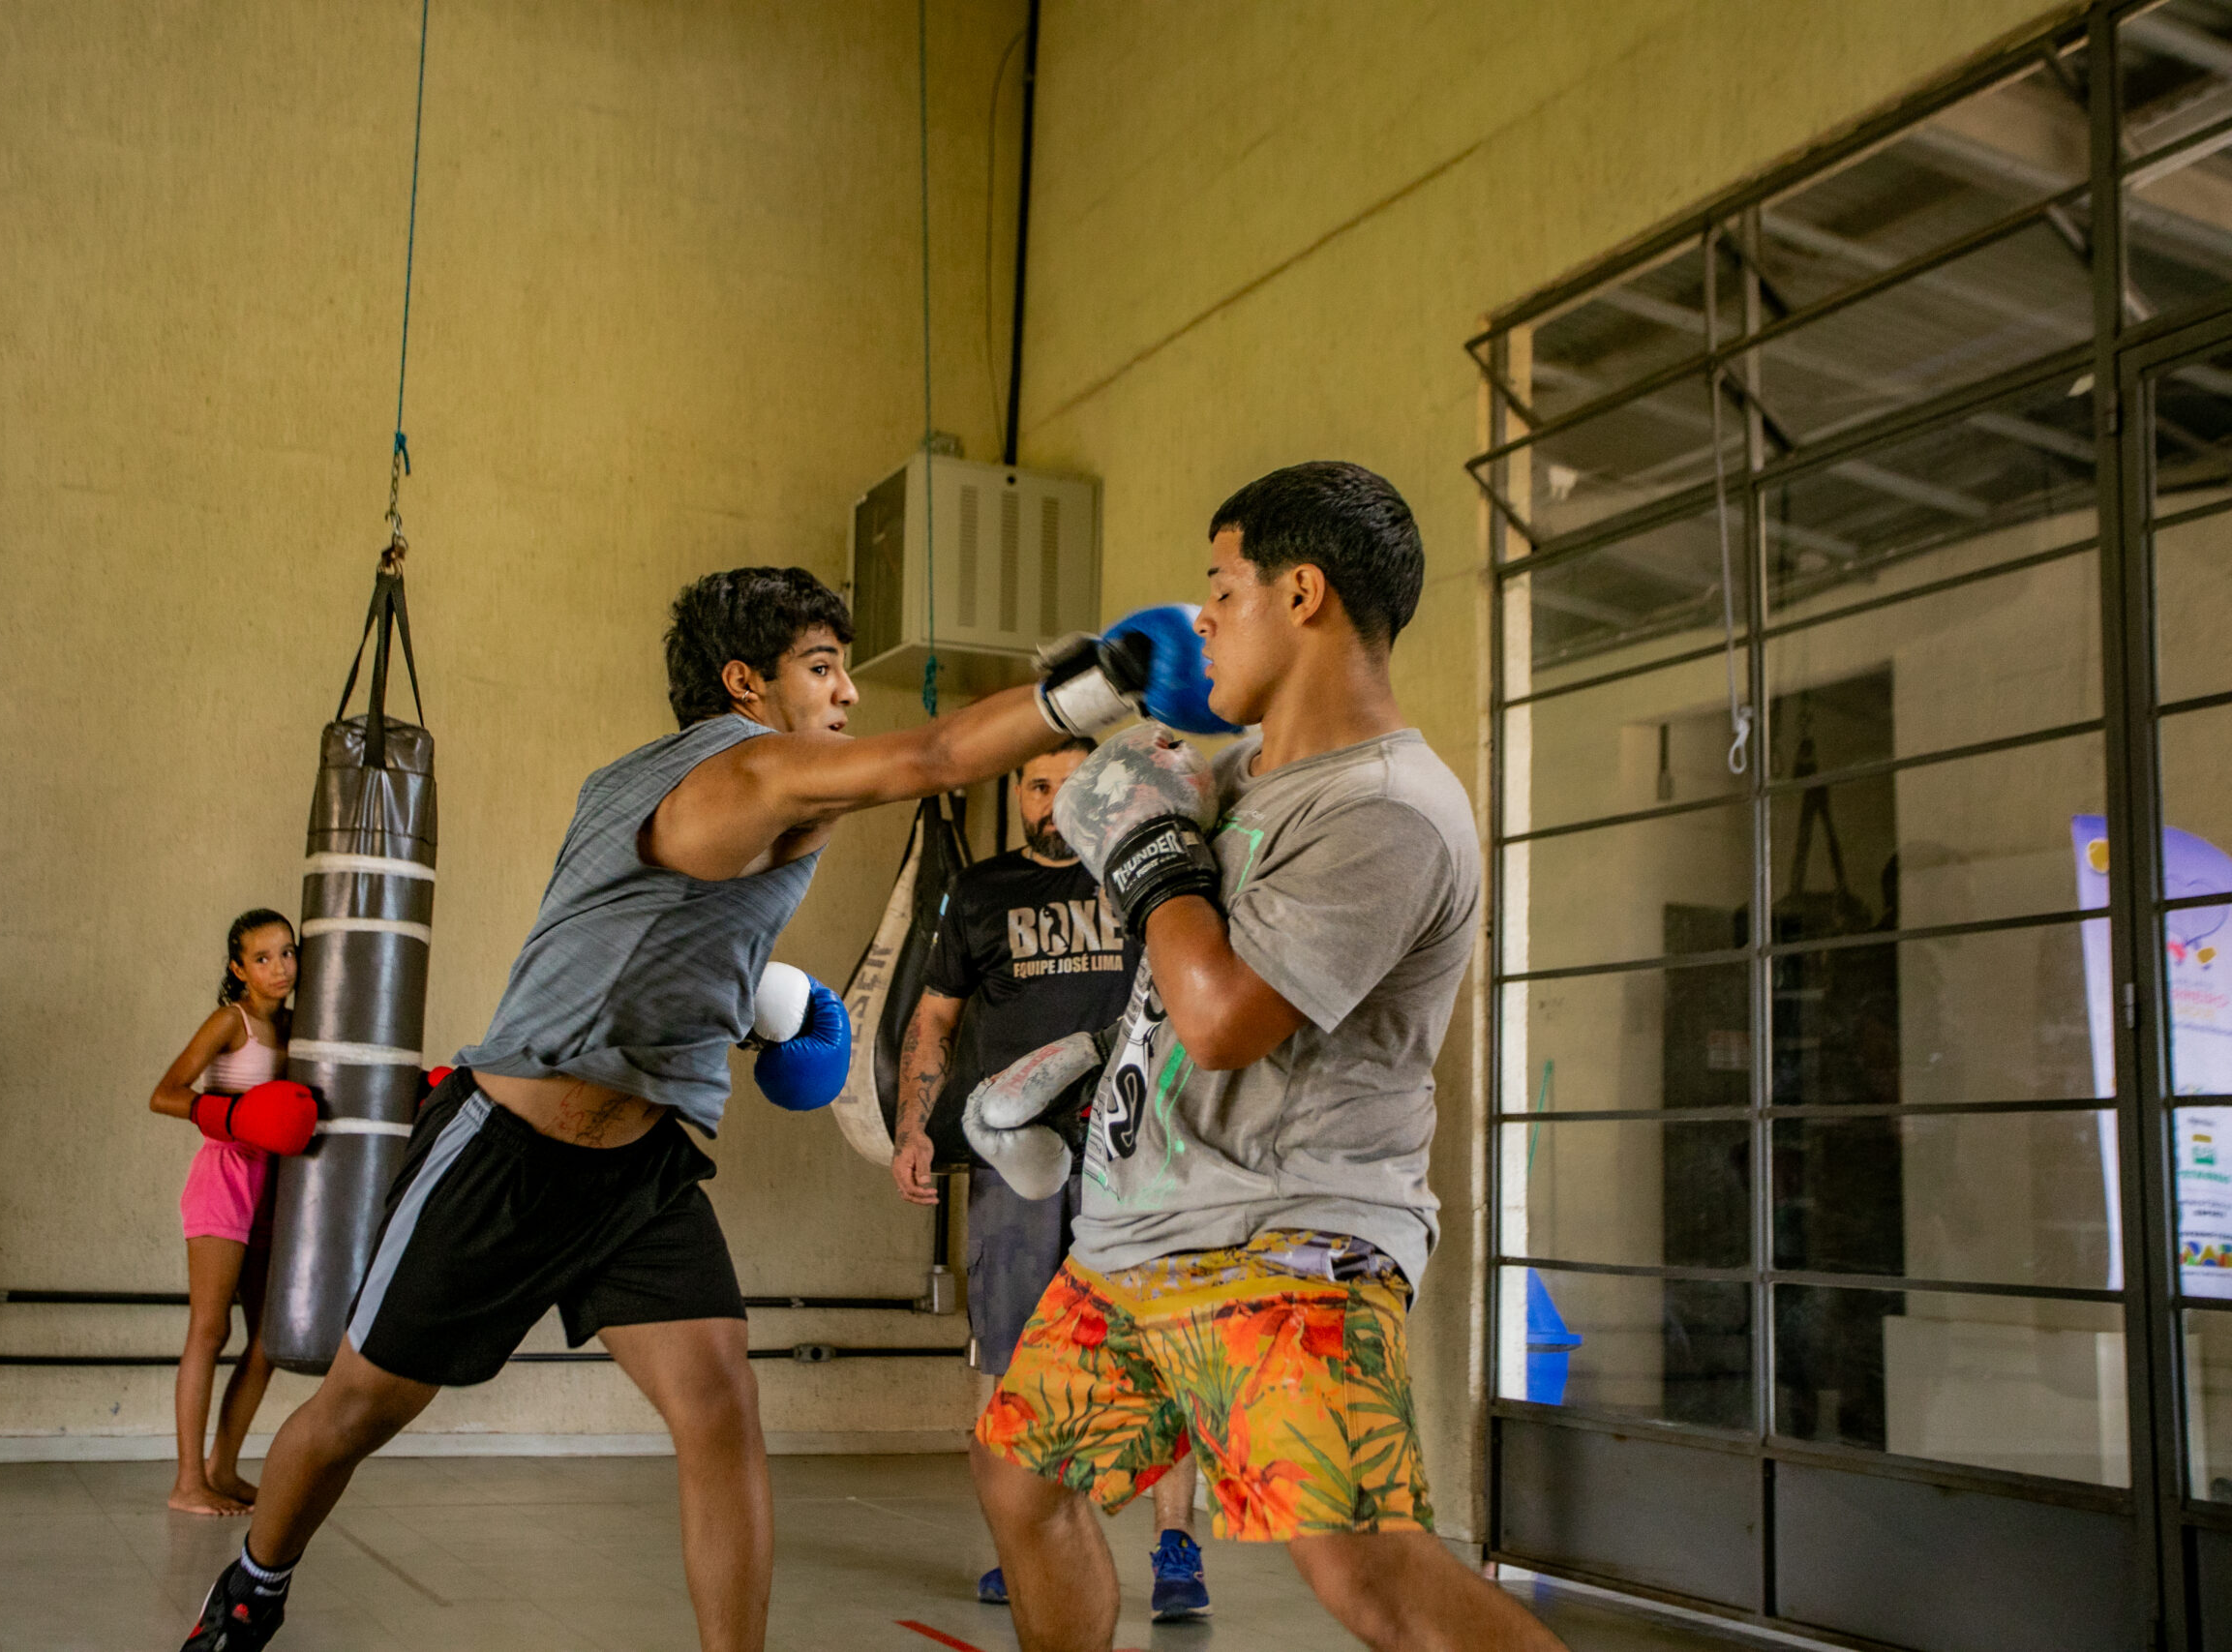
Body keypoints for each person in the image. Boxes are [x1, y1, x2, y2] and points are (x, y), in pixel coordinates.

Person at [180, 565, 1218, 1652]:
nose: (847, 693)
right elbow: (929, 760)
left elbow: (643, 939)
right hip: (505, 1156)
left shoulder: (687, 788)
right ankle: (254, 1584)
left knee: (721, 1411)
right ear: (744, 683)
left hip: (635, 1171)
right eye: (822, 668)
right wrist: (1109, 680)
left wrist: (763, 1007)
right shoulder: (746, 771)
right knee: (358, 1410)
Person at [964, 463, 1570, 1652]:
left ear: (1302, 595)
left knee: (1372, 1582)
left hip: (1283, 1244)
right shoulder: (1240, 779)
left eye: (1220, 589)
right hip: (1138, 1244)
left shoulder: (1387, 807)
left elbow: (1227, 1015)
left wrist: (1138, 847)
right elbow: (1173, 990)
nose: (1202, 621)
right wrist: (1094, 1079)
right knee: (1021, 1479)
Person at [892, 741, 1209, 1622]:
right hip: (1016, 1162)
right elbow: (933, 1019)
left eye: (1074, 784)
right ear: (1019, 795)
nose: (1055, 797)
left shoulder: (1150, 876)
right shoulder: (982, 893)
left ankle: (1175, 1545)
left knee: (1158, 1346)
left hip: (1143, 1154)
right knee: (1011, 1356)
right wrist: (915, 1126)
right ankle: (1021, 1541)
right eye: (1038, 783)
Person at [148, 909, 309, 1517]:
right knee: (209, 1331)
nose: (279, 967)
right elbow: (164, 1093)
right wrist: (233, 1114)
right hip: (224, 1176)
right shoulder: (230, 1020)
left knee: (269, 1340)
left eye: (287, 953)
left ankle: (223, 1467)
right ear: (239, 969)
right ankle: (187, 1481)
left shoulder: (300, 1027)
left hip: (275, 1185)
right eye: (262, 958)